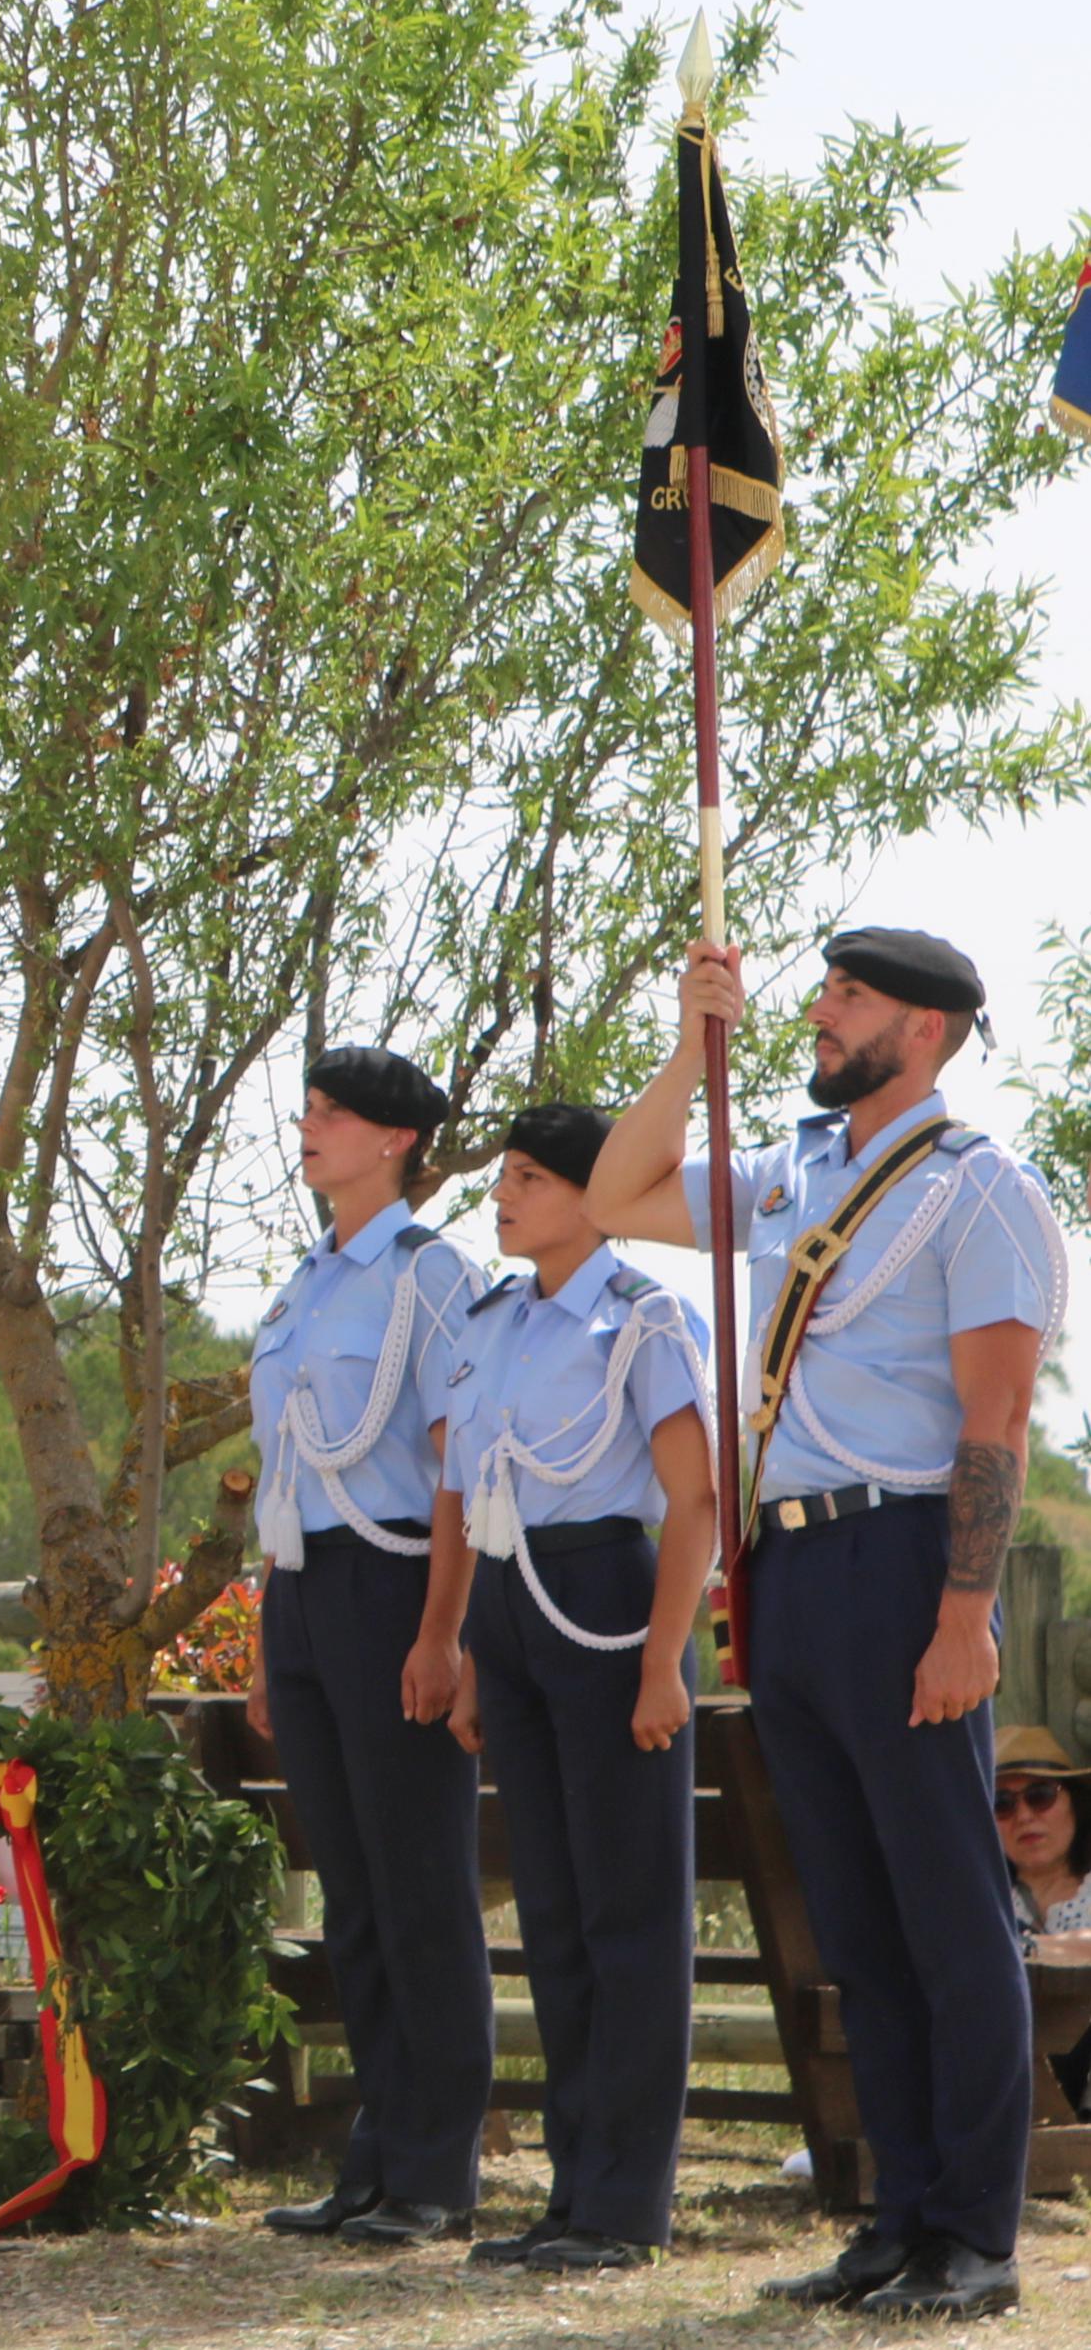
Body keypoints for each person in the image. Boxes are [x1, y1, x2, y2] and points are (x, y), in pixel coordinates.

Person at [588, 928, 1066, 2321]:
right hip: (784, 1568)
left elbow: (993, 1420)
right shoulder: (790, 1167)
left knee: (946, 1914)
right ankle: (897, 2216)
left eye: (848, 995)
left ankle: (973, 2232)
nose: (818, 1009)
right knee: (852, 1916)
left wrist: (962, 1613)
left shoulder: (981, 1191)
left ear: (923, 1030)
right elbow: (615, 1190)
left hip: (905, 1552)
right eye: (822, 989)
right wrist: (693, 1043)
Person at [434, 1103, 715, 2272]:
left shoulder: (644, 1320)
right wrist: (458, 1648)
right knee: (550, 1912)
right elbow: (460, 1482)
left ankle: (621, 2203)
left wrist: (660, 1660)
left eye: (531, 1178)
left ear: (592, 1195)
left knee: (626, 1911)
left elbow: (692, 1499)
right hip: (510, 1601)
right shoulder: (491, 1318)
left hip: (603, 1595)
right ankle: (569, 2188)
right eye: (500, 1175)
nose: (501, 1196)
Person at [245, 1044, 491, 2250]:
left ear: (393, 1139)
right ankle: (374, 2159)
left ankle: (436, 2170)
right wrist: (260, 1636)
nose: (309, 1128)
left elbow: (454, 1466)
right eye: (310, 1110)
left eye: (332, 1115)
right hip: (303, 1589)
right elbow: (283, 1461)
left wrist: (443, 1629)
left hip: (392, 1581)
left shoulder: (428, 1272)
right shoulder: (301, 1282)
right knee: (350, 1892)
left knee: (418, 1890)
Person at [994, 1730, 1091, 2117]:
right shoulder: (983, 1903)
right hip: (1012, 2089)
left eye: (1041, 1796)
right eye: (1002, 1804)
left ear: (1075, 1804)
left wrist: (1026, 1948)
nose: (1024, 1816)